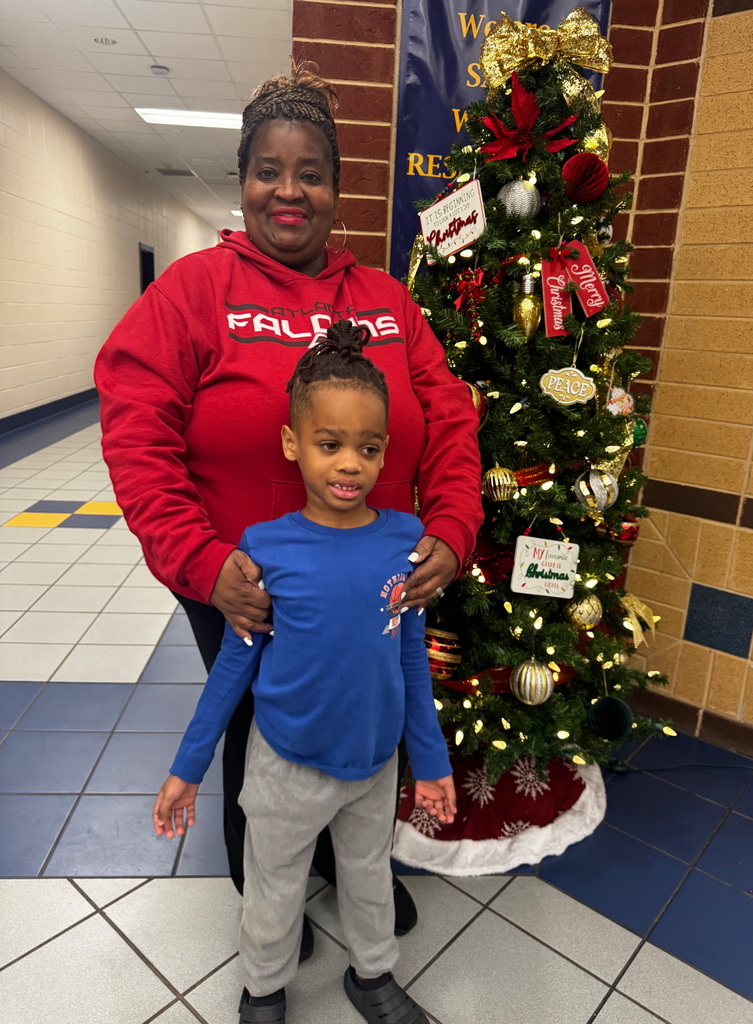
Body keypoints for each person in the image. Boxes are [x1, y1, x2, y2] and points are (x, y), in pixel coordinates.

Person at [95, 65, 482, 947]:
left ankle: (356, 871)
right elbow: (136, 431)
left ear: (339, 188)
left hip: (373, 581)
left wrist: (453, 532)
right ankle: (270, 890)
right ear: (243, 181)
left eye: (311, 172)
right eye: (268, 170)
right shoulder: (195, 291)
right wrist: (200, 563)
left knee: (370, 709)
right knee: (257, 723)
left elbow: (452, 420)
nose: (289, 190)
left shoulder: (387, 302)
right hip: (243, 583)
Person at [153, 322, 457, 1024]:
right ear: (294, 444)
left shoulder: (405, 543)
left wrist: (431, 763)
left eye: (368, 447)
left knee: (368, 877)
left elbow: (411, 660)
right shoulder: (264, 549)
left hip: (374, 766)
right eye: (330, 444)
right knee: (274, 885)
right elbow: (232, 673)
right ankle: (263, 986)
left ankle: (373, 975)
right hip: (285, 768)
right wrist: (187, 768)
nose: (349, 464)